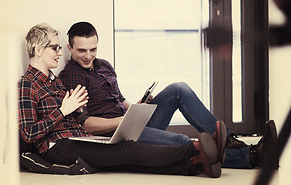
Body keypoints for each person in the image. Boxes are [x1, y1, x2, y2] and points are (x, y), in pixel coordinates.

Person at [59, 21, 278, 169]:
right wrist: (124, 120)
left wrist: (137, 107)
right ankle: (252, 156)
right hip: (117, 135)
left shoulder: (104, 65)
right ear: (70, 48)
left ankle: (230, 141)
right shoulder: (70, 76)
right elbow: (86, 125)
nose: (89, 56)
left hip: (131, 122)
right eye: (82, 51)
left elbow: (119, 100)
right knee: (184, 141)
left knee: (178, 89)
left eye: (93, 49)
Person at [18, 23, 227, 178]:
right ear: (38, 50)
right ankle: (197, 151)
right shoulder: (28, 84)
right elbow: (28, 134)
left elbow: (81, 117)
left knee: (125, 157)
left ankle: (198, 165)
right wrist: (63, 111)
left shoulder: (54, 82)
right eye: (55, 48)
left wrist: (78, 110)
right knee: (126, 150)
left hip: (78, 137)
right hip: (57, 146)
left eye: (59, 48)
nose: (59, 53)